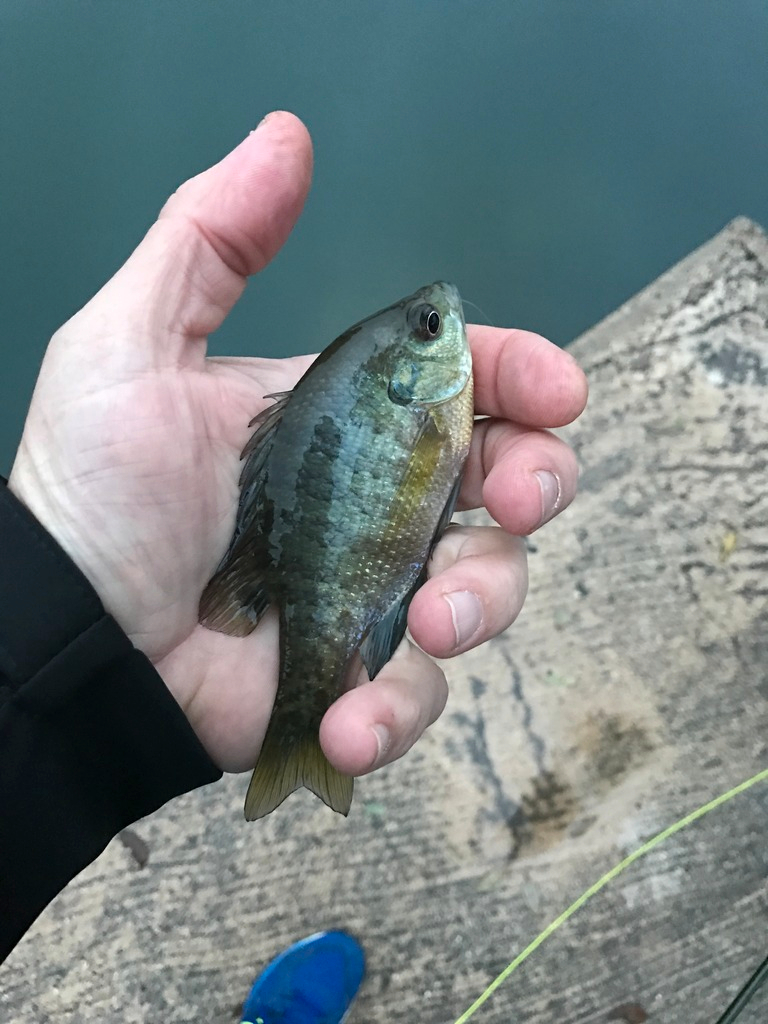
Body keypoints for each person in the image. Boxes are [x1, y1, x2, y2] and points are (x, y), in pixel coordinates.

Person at [0, 111, 588, 965]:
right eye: (430, 330)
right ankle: (298, 738)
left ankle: (299, 737)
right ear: (411, 373)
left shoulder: (425, 407)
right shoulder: (429, 414)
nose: (445, 317)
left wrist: (49, 639)